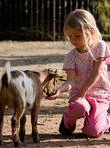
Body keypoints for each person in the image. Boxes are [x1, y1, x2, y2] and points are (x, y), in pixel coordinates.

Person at [46, 9, 110, 138]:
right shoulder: (71, 56)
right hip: (79, 98)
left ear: (90, 31)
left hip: (99, 95)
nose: (73, 40)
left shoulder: (100, 47)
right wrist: (59, 90)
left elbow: (96, 72)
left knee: (92, 132)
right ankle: (67, 121)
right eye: (69, 36)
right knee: (78, 107)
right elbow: (71, 81)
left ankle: (106, 120)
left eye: (77, 35)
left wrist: (82, 92)